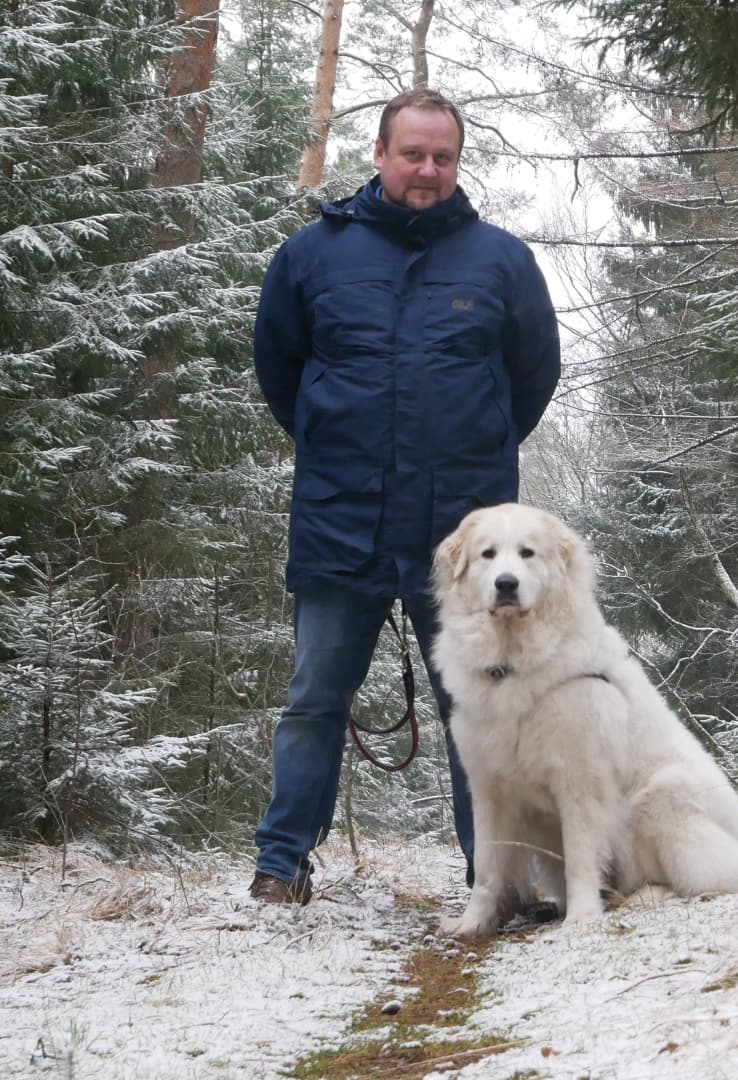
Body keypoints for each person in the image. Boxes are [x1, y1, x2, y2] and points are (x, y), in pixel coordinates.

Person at [249, 88, 561, 904]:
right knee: (315, 698)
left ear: (458, 162)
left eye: (443, 157)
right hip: (339, 520)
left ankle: (492, 878)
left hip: (465, 543)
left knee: (486, 709)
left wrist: (475, 452)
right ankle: (281, 866)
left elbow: (532, 381)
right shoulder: (311, 256)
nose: (427, 170)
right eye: (412, 154)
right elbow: (281, 374)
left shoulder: (502, 261)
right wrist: (333, 442)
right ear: (380, 154)